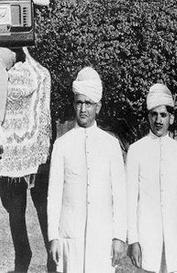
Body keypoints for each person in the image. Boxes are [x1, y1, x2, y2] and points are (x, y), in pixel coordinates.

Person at [47, 67, 127, 272]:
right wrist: (53, 237)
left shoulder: (111, 145)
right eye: (79, 103)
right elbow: (54, 195)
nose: (83, 109)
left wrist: (119, 237)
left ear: (98, 107)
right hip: (70, 237)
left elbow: (120, 195)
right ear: (74, 104)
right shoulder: (62, 144)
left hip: (102, 238)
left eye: (88, 103)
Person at [126, 84, 177, 273]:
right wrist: (133, 240)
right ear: (148, 116)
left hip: (174, 236)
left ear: (171, 118)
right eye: (154, 115)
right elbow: (130, 200)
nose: (158, 120)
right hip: (146, 236)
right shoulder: (136, 150)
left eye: (163, 115)